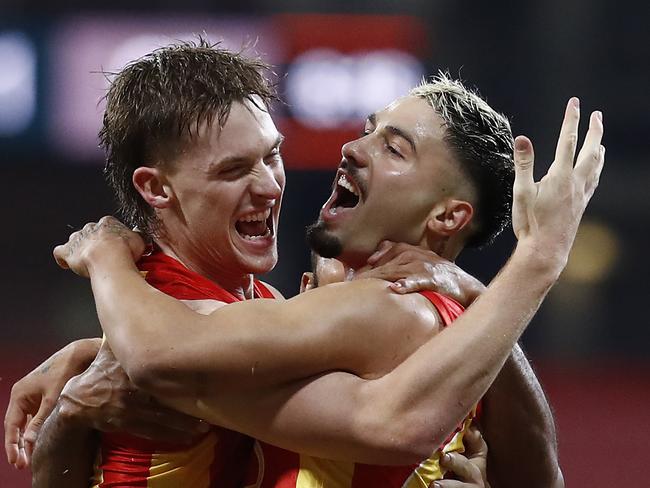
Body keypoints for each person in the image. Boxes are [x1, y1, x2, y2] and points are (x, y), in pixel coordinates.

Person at [9, 41, 603, 487]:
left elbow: (159, 357)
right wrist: (82, 372)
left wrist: (106, 254)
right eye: (235, 168)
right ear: (157, 189)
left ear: (447, 216)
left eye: (393, 148)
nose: (271, 184)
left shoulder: (386, 310)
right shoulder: (266, 313)